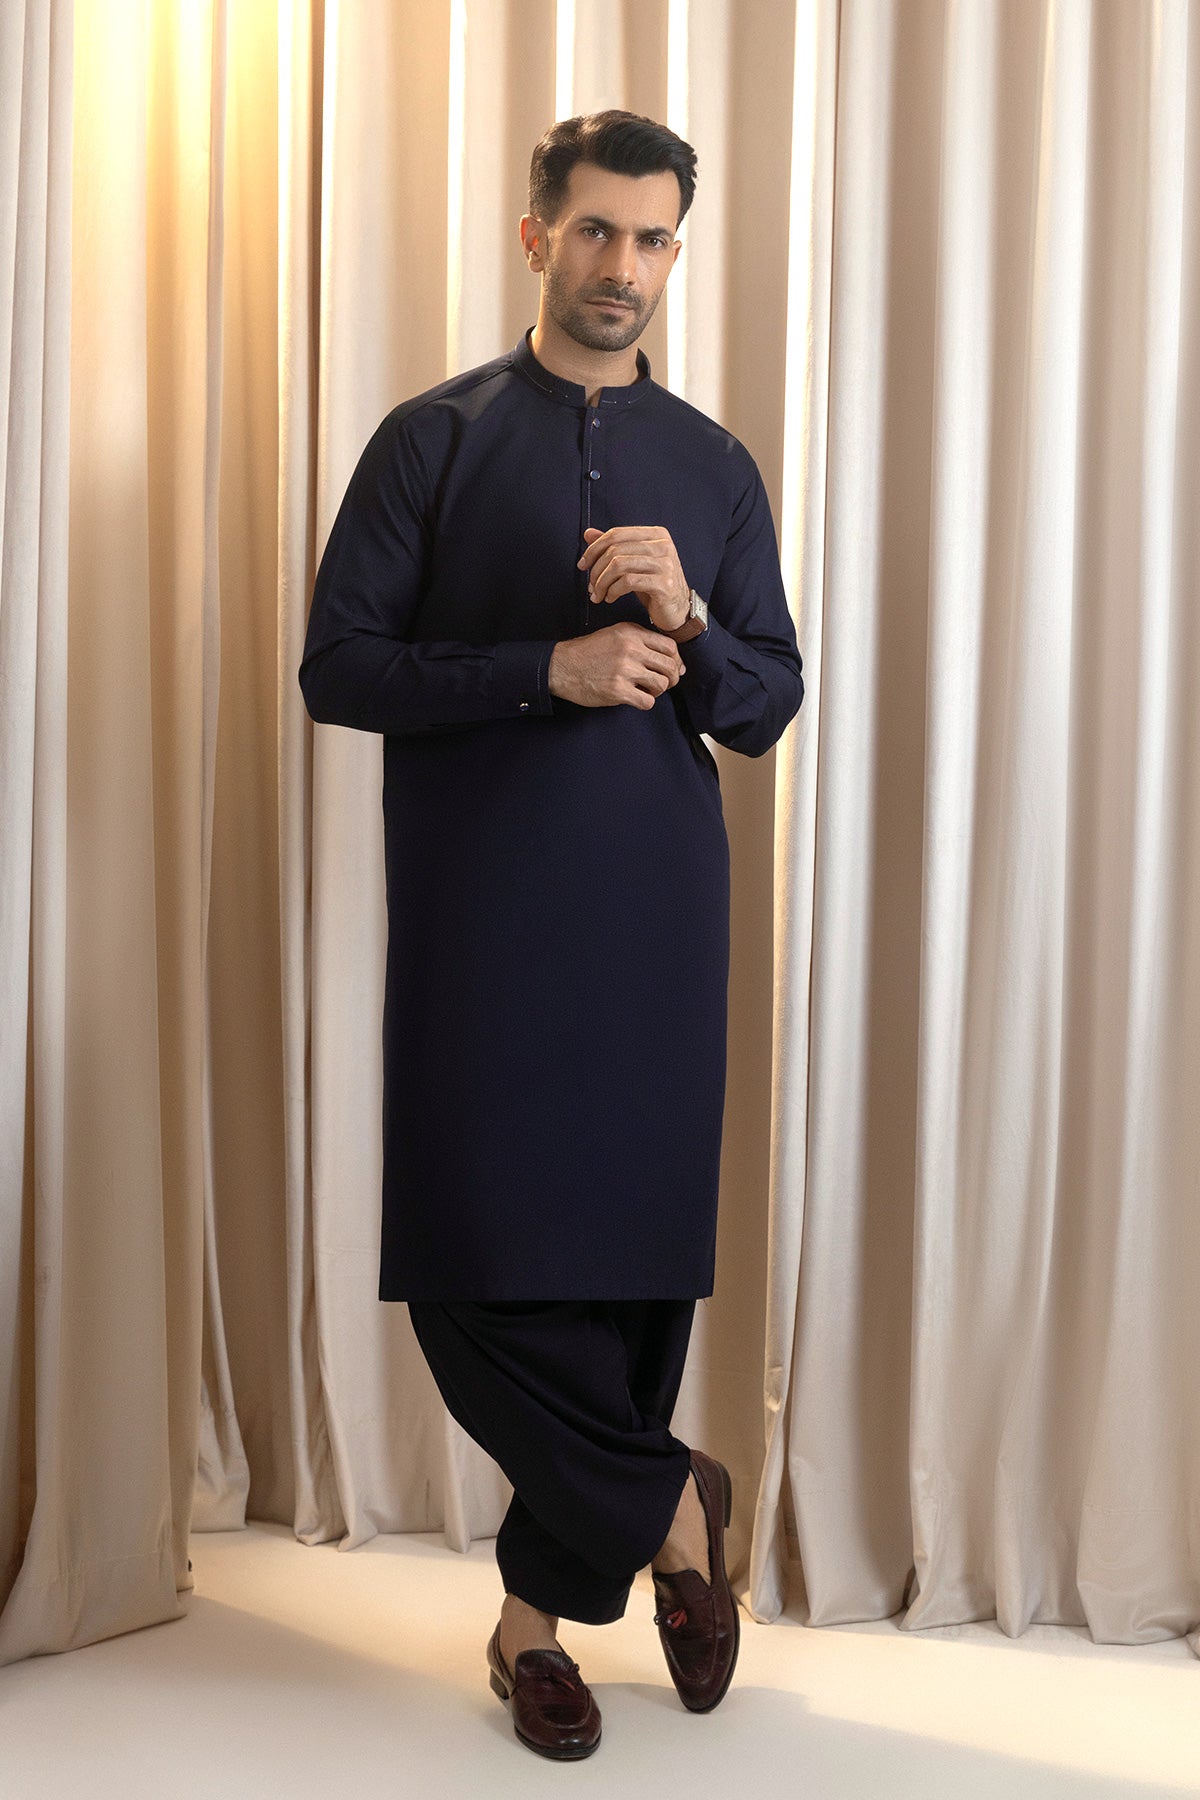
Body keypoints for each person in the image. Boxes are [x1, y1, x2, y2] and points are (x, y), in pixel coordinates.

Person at [298, 108, 804, 1759]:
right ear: (536, 237)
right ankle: (674, 1511)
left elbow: (766, 702)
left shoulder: (714, 469)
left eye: (653, 239)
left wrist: (689, 618)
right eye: (596, 230)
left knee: (629, 1280)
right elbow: (339, 668)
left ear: (676, 252)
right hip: (482, 922)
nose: (623, 267)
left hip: (656, 921)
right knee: (471, 1265)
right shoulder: (430, 442)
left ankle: (531, 1632)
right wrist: (548, 669)